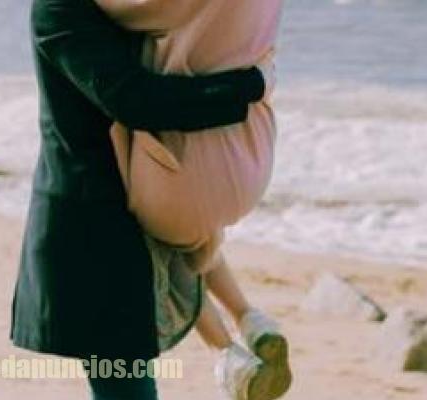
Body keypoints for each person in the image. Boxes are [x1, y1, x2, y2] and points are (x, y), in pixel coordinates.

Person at [9, 0, 269, 399]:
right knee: (125, 384)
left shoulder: (132, 9)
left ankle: (238, 341)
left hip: (137, 204)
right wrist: (251, 85)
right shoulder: (59, 9)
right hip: (89, 228)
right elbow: (135, 100)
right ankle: (239, 339)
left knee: (127, 381)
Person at [93, 1, 292, 399]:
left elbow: (128, 12)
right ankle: (249, 318)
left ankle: (227, 354)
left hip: (184, 157)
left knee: (162, 239)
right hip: (251, 146)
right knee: (195, 233)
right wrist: (257, 83)